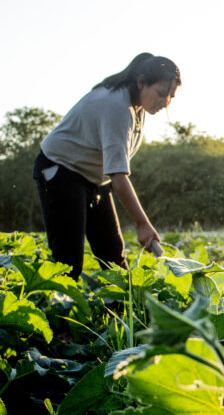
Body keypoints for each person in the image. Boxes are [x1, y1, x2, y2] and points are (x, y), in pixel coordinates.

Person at [33, 52, 181, 279]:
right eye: (161, 94)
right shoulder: (115, 106)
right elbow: (119, 177)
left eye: (170, 96)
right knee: (68, 261)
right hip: (60, 172)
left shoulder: (137, 106)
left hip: (94, 180)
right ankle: (56, 311)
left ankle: (118, 312)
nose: (165, 103)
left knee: (112, 255)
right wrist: (142, 223)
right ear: (141, 82)